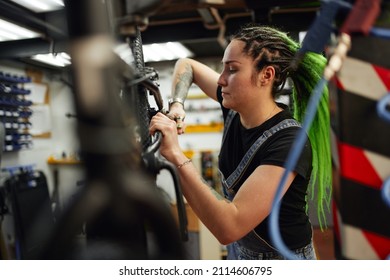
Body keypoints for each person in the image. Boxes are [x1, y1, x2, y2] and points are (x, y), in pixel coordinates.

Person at [149, 23, 332, 260]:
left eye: (232, 70)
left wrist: (175, 155)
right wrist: (177, 104)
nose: (221, 80)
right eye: (223, 69)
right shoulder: (235, 110)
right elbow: (187, 65)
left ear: (266, 75)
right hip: (241, 252)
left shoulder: (289, 142)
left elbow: (230, 226)